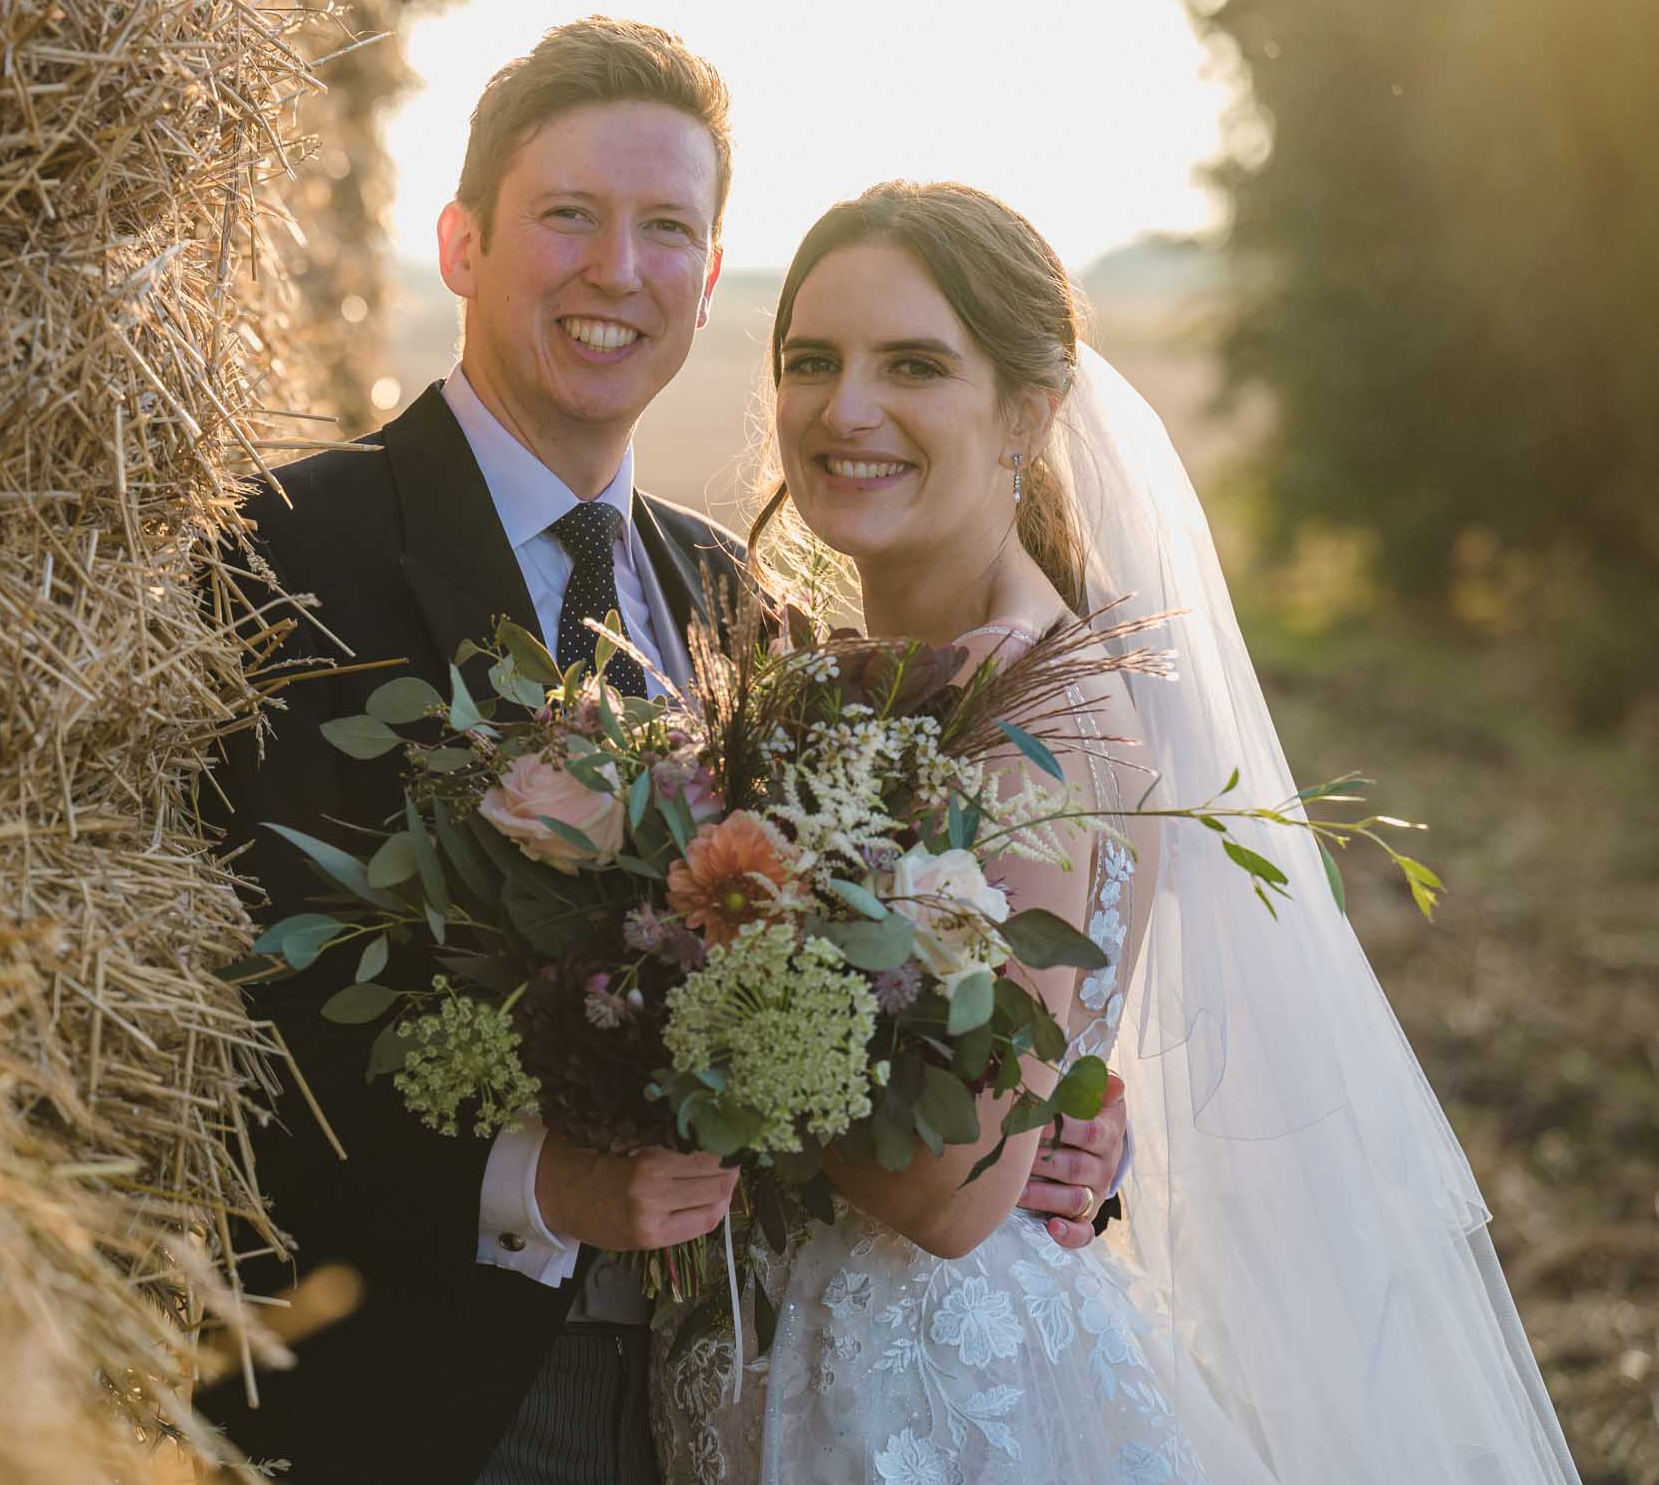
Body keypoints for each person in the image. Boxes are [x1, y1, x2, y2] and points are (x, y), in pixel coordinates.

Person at [198, 27, 1127, 1485]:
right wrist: (529, 1183)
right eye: (569, 215)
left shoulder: (739, 609)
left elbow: (897, 995)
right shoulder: (298, 547)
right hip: (432, 1399)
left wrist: (1048, 1121)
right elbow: (223, 995)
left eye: (668, 232)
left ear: (707, 282)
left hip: (741, 1395)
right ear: (461, 243)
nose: (617, 270)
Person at [666, 180, 1580, 1484]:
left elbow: (954, 1186)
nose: (844, 407)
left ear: (1028, 412)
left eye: (912, 365)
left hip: (934, 1409)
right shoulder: (820, 677)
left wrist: (664, 1003)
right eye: (811, 360)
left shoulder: (1049, 731)